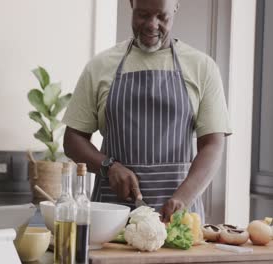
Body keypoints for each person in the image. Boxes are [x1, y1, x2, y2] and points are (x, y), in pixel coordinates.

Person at [62, 0, 231, 222]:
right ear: (131, 3)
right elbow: (72, 140)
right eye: (143, 14)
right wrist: (108, 167)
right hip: (111, 217)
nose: (152, 25)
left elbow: (213, 144)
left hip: (178, 216)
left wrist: (183, 197)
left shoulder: (203, 67)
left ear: (176, 7)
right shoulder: (100, 66)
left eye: (162, 17)